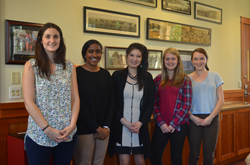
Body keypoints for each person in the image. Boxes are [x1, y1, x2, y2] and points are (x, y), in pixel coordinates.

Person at [23, 23, 80, 165]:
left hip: (66, 133)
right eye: (47, 36)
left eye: (56, 36)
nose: (52, 40)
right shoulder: (31, 66)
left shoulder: (69, 66)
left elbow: (75, 99)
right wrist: (47, 130)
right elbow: (29, 102)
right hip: (40, 134)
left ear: (60, 40)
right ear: (41, 40)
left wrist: (72, 125)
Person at [109, 43, 155, 165]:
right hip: (122, 126)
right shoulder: (117, 76)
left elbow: (150, 103)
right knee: (124, 161)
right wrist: (123, 121)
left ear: (142, 58)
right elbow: (112, 102)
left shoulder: (147, 78)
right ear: (127, 56)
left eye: (138, 56)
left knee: (141, 161)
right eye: (132, 55)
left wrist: (141, 123)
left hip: (139, 128)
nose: (134, 59)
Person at [74, 39, 114, 165]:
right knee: (84, 162)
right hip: (84, 127)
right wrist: (96, 128)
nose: (95, 55)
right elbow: (78, 104)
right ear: (84, 54)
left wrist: (106, 127)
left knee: (99, 162)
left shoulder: (106, 74)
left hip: (104, 129)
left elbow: (111, 102)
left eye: (98, 51)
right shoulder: (76, 73)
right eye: (90, 51)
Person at [150, 47, 192, 165]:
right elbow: (154, 103)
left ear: (178, 60)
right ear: (163, 61)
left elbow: (186, 105)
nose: (170, 61)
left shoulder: (185, 79)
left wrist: (173, 124)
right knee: (154, 157)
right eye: (167, 59)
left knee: (176, 158)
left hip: (178, 126)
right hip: (161, 125)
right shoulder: (158, 79)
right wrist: (161, 123)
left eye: (173, 59)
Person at [188, 48, 224, 165]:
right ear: (192, 61)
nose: (199, 62)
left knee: (209, 154)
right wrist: (192, 117)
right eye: (196, 59)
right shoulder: (187, 79)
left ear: (206, 60)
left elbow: (221, 100)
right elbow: (183, 103)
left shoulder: (215, 76)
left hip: (212, 119)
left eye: (202, 58)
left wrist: (211, 117)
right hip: (193, 120)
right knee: (194, 153)